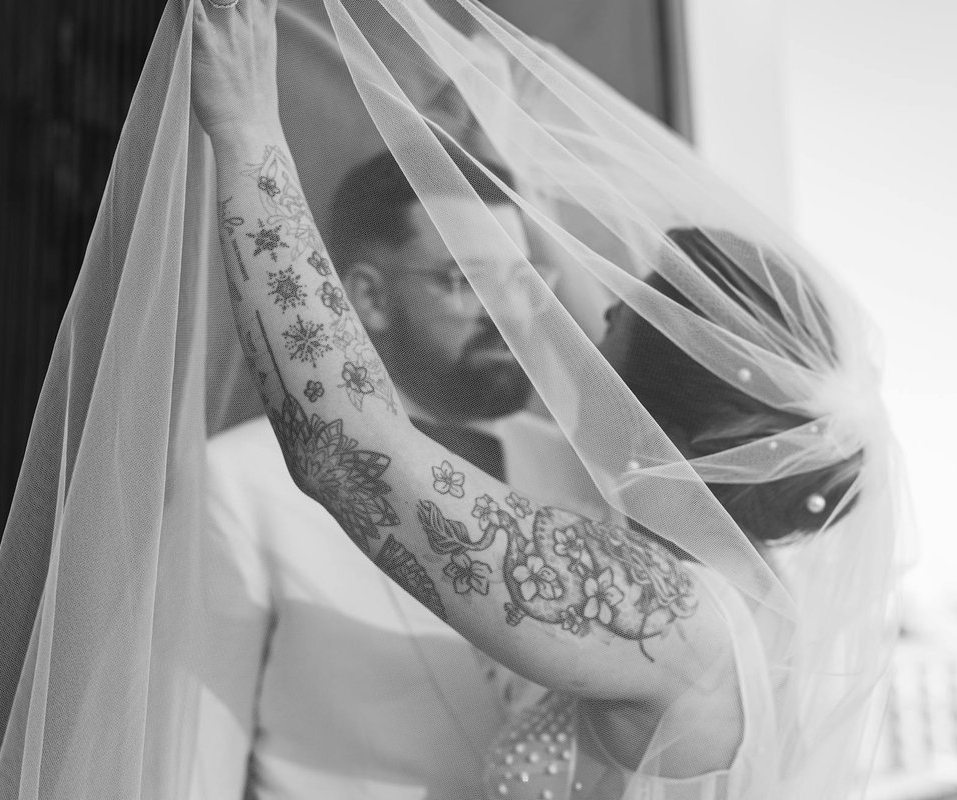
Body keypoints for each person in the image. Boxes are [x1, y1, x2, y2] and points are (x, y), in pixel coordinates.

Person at [189, 0, 895, 796]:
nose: (580, 338)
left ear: (659, 422)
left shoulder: (666, 616)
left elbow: (349, 448)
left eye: (613, 330)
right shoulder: (740, 597)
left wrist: (248, 133)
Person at [193, 117, 612, 798]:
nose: (504, 313)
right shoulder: (239, 482)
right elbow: (197, 756)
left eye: (522, 279)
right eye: (460, 280)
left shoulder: (578, 472)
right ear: (369, 297)